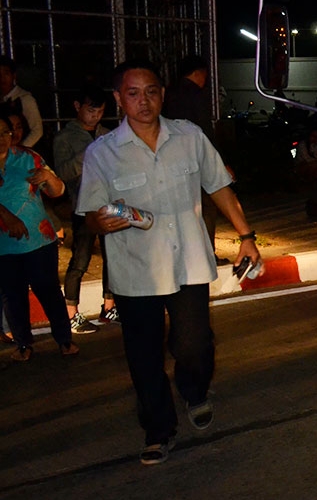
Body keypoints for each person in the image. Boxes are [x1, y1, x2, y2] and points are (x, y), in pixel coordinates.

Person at [79, 60, 261, 466]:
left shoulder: (189, 136)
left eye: (151, 91)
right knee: (144, 357)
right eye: (133, 93)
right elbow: (90, 214)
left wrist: (246, 237)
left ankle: (194, 390)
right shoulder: (102, 153)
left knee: (195, 345)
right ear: (118, 99)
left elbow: (220, 187)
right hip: (136, 271)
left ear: (162, 94)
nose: (143, 101)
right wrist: (100, 222)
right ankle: (158, 430)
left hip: (188, 263)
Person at [0, 105, 77, 361]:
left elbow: (56, 192)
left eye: (5, 132)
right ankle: (23, 343)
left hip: (38, 240)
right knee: (13, 295)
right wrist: (6, 215)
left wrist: (49, 178)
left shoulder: (27, 158)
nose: (2, 138)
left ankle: (64, 339)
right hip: (4, 245)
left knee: (48, 290)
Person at [53, 85, 119, 334]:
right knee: (80, 260)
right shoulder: (65, 137)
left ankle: (109, 307)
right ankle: (71, 313)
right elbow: (63, 173)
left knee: (113, 258)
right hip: (83, 207)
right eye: (91, 111)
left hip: (108, 205)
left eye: (100, 111)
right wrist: (90, 153)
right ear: (78, 107)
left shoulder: (106, 134)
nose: (96, 116)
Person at [162, 54, 219, 254]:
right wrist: (219, 160)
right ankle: (206, 252)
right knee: (207, 206)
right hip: (195, 159)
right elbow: (204, 130)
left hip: (170, 159)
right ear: (198, 73)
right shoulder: (196, 95)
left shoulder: (169, 93)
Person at [0, 55, 44, 149]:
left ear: (14, 76)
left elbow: (37, 130)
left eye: (6, 73)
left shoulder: (25, 98)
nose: (2, 78)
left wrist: (22, 149)